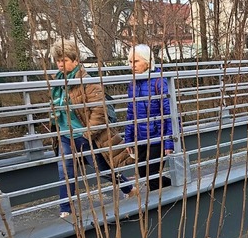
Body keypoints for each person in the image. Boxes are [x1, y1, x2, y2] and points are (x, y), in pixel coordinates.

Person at [51, 39, 136, 218]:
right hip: (66, 135)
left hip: (83, 135)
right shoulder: (57, 82)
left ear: (75, 60)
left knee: (102, 169)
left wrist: (87, 133)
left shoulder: (87, 81)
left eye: (64, 60)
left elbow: (99, 110)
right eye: (58, 60)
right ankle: (65, 209)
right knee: (65, 172)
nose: (60, 64)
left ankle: (128, 188)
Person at [125, 44, 174, 192]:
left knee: (151, 175)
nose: (132, 66)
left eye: (136, 62)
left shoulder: (159, 81)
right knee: (143, 174)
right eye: (130, 62)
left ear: (147, 62)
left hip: (157, 136)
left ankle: (172, 192)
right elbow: (130, 113)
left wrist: (169, 141)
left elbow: (170, 112)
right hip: (140, 137)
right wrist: (128, 139)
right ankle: (171, 188)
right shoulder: (133, 83)